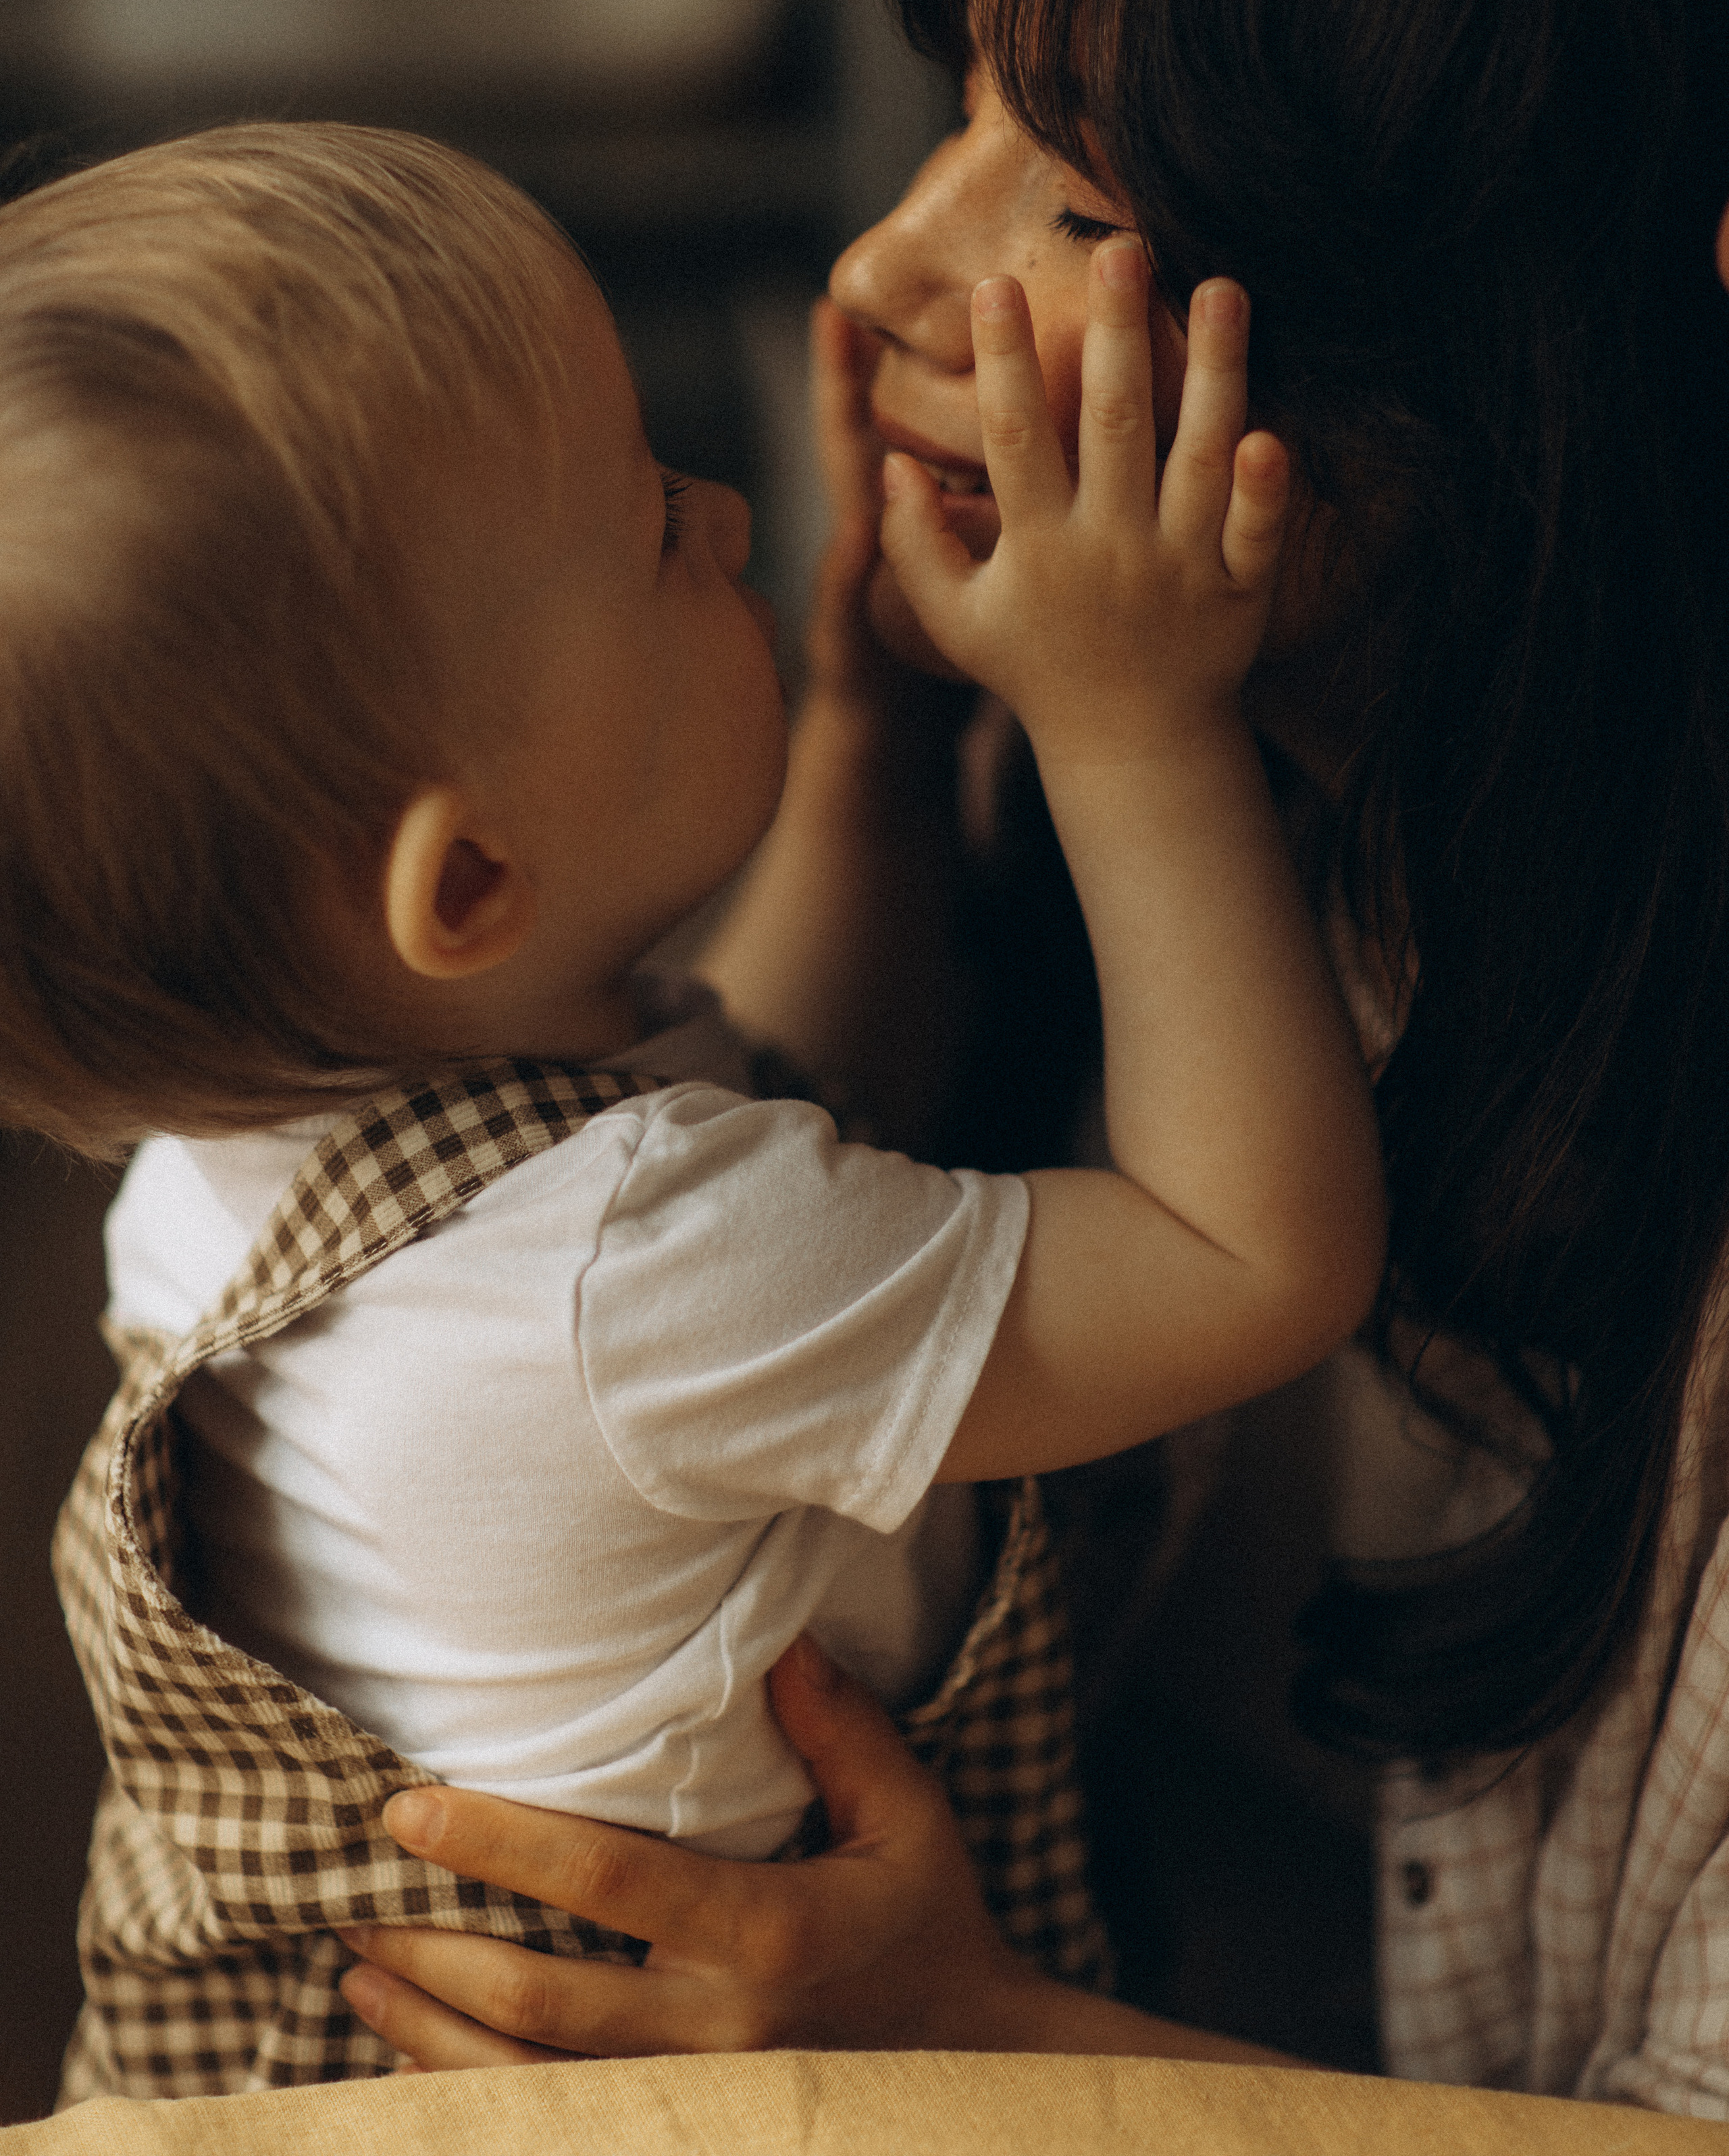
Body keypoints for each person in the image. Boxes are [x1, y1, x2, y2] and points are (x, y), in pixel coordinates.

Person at [333, 0, 1729, 2121]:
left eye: (1075, 197)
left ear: (1506, 347)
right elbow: (750, 1158)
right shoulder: (1152, 744)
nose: (886, 271)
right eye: (951, 113)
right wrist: (874, 730)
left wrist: (983, 2041)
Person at [9, 122, 1384, 2095]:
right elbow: (1251, 1260)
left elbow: (747, 1099)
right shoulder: (635, 1284)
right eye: (653, 524)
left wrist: (863, 734)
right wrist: (1131, 719)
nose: (734, 515)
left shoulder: (237, 1156)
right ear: (469, 884)